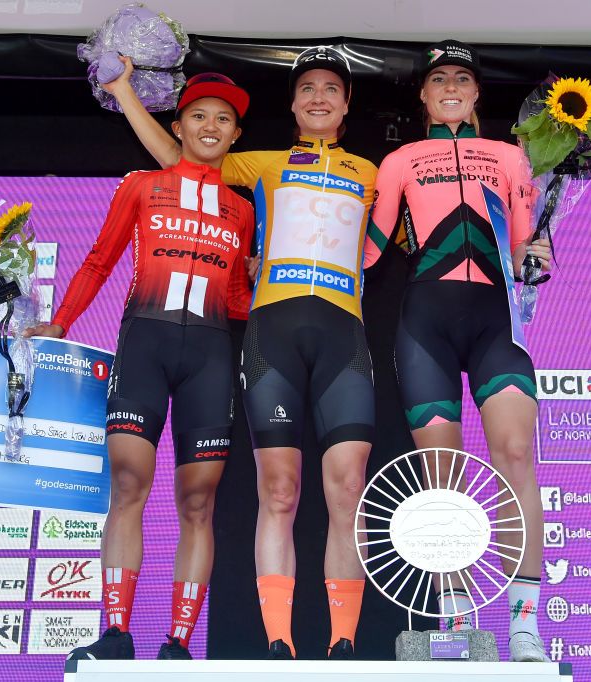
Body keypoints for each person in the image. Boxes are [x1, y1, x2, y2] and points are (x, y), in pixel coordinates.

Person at [104, 46, 377, 660]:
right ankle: (278, 643)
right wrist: (124, 94)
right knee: (278, 490)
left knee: (348, 488)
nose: (318, 97)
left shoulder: (372, 172)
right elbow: (179, 160)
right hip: (272, 333)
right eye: (306, 87)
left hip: (344, 336)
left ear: (347, 104)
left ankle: (345, 645)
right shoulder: (262, 163)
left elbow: (382, 238)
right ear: (293, 104)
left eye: (331, 88)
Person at [25, 73, 255, 661]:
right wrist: (62, 322)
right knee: (128, 484)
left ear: (236, 135)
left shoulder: (240, 207)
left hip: (210, 356)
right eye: (198, 115)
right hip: (145, 347)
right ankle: (117, 632)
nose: (210, 126)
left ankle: (178, 642)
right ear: (177, 127)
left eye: (223, 119)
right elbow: (101, 259)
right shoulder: (142, 184)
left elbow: (234, 301)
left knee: (199, 502)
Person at [364, 40, 552, 663]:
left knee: (515, 455)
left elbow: (529, 246)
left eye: (461, 78)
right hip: (425, 321)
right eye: (438, 77)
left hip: (495, 320)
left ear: (476, 94)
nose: (449, 86)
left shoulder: (511, 156)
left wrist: (539, 257)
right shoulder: (401, 161)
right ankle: (457, 622)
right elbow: (369, 249)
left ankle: (525, 626)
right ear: (422, 94)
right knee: (442, 479)